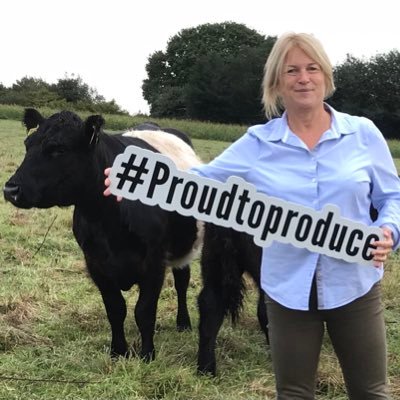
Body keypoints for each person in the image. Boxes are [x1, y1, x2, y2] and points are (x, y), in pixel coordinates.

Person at [104, 32, 400, 399]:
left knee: (371, 392)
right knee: (293, 393)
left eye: (312, 68)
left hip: (355, 284)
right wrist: (140, 181)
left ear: (326, 75)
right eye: (291, 70)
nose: (303, 78)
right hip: (288, 292)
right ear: (277, 82)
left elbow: (392, 196)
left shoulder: (363, 134)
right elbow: (199, 178)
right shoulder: (259, 142)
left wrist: (389, 229)